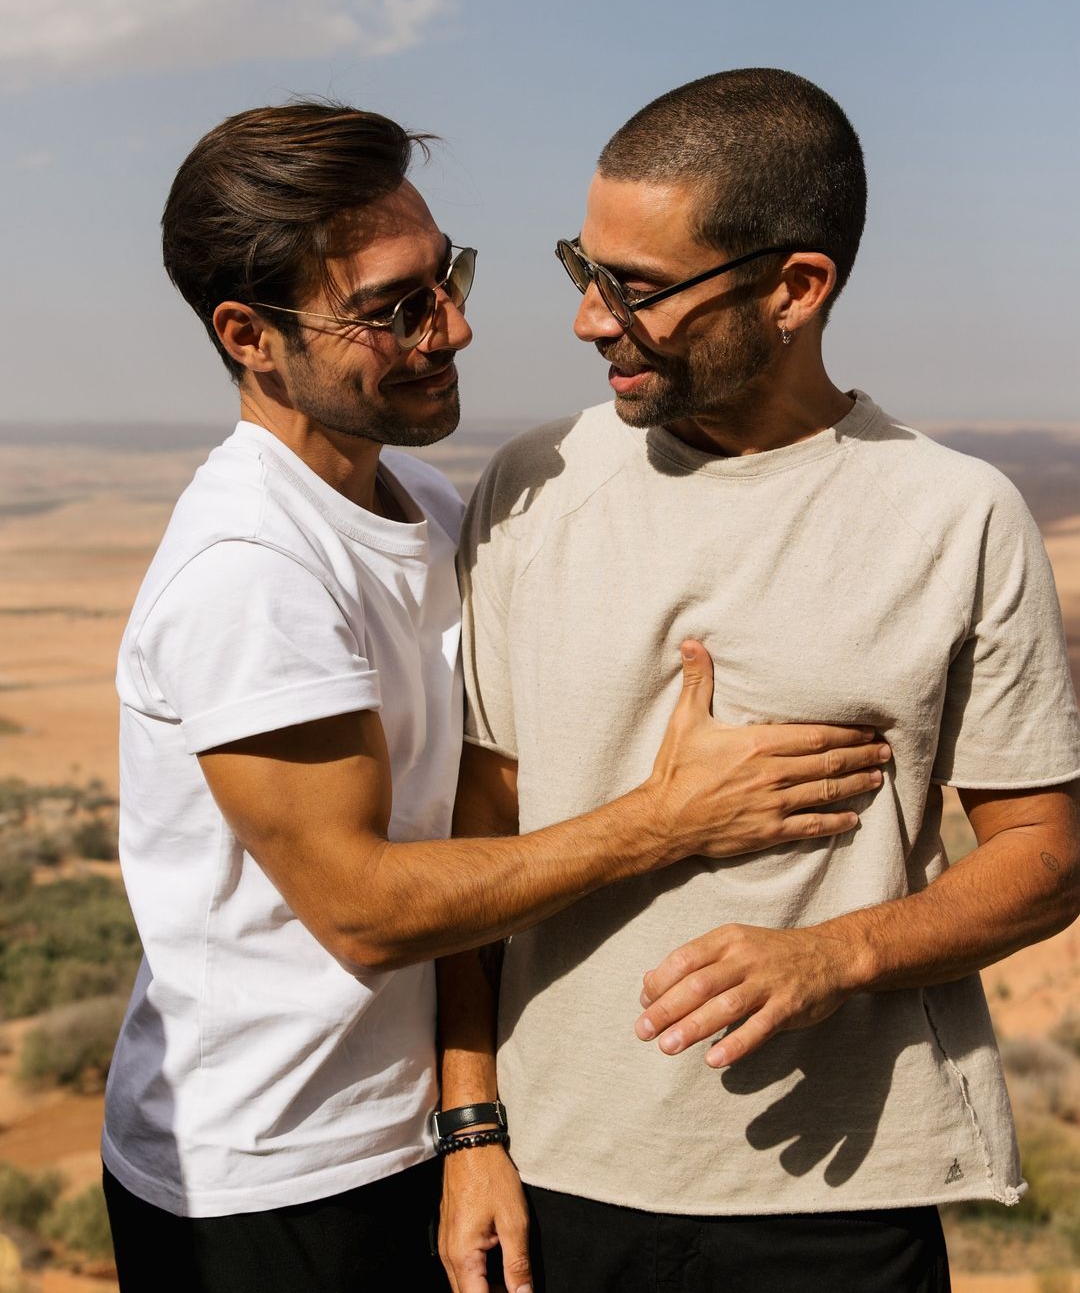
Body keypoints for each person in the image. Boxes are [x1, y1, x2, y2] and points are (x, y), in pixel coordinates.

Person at [102, 100, 888, 1293]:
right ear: (249, 337)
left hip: (404, 1131)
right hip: (268, 1177)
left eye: (445, 278)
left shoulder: (419, 497)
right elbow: (363, 906)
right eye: (393, 309)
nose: (453, 327)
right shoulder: (249, 570)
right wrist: (671, 818)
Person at [440, 68, 1080, 1293]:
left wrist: (835, 955)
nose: (585, 320)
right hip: (556, 1185)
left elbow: (1047, 857)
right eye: (584, 269)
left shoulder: (958, 517)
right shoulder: (530, 485)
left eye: (633, 290)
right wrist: (471, 1129)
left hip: (841, 1200)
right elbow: (475, 850)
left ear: (795, 288)